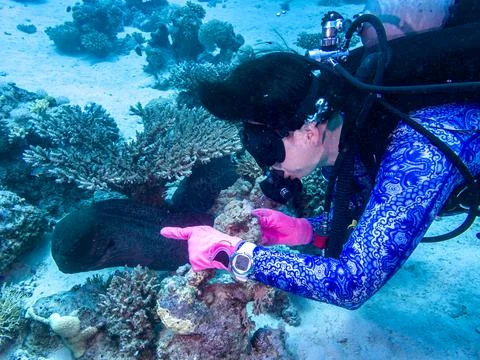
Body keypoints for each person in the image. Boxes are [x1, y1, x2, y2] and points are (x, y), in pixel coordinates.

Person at [160, 4, 480, 309]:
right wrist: (306, 229)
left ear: (309, 131)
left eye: (266, 147)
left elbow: (351, 284)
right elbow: (370, 208)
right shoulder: (344, 130)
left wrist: (227, 252)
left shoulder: (418, 152)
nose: (265, 163)